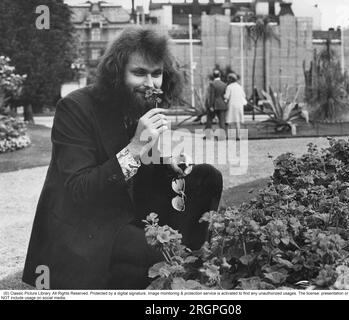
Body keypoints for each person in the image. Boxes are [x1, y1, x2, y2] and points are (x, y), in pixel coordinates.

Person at [22, 26, 223, 289]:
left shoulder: (141, 104)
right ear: (116, 74)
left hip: (129, 212)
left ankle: (188, 259)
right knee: (162, 256)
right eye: (139, 73)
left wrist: (169, 164)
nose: (150, 84)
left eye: (157, 74)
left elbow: (145, 173)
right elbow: (80, 190)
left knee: (206, 177)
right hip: (87, 226)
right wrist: (136, 145)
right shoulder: (74, 108)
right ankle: (177, 263)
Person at [204, 69, 227, 139]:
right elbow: (225, 95)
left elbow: (212, 96)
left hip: (214, 105)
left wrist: (211, 105)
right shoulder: (224, 84)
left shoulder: (212, 84)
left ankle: (208, 135)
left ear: (213, 76)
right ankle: (223, 136)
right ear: (219, 75)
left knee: (209, 120)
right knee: (222, 121)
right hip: (222, 104)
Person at [224, 73, 247, 140]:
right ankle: (238, 136)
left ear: (230, 79)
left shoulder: (229, 87)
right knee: (237, 121)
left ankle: (227, 136)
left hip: (231, 105)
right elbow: (244, 95)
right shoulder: (240, 86)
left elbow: (227, 97)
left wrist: (223, 96)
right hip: (239, 105)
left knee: (227, 121)